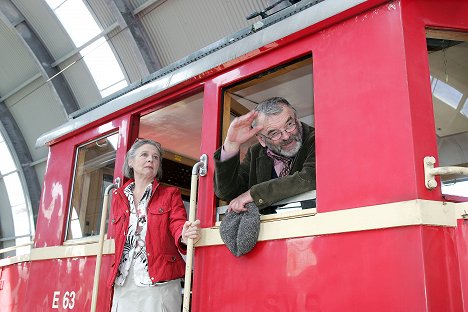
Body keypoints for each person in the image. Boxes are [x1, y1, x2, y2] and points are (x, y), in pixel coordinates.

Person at [107, 138, 200, 312]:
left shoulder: (170, 194)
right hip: (124, 281)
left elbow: (177, 222)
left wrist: (183, 235)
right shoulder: (118, 197)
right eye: (145, 155)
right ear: (131, 162)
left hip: (158, 282)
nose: (151, 159)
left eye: (156, 157)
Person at [214, 97, 315, 213]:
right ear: (261, 139)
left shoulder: (316, 139)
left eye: (289, 124)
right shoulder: (255, 152)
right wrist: (231, 145)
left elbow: (310, 178)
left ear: (297, 119)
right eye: (274, 133)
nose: (286, 136)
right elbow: (226, 192)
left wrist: (254, 194)